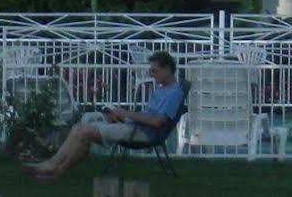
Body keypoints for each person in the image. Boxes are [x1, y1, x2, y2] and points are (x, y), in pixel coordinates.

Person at [26, 50, 188, 181]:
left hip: (142, 133)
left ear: (167, 69)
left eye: (155, 70)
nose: (152, 74)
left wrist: (124, 113)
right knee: (82, 125)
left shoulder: (174, 93)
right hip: (133, 126)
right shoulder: (161, 88)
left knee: (82, 131)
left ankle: (52, 167)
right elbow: (147, 115)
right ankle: (54, 168)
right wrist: (120, 116)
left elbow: (158, 121)